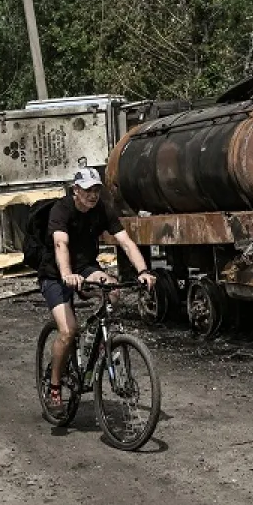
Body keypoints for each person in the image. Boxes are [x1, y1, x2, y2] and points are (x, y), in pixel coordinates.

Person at [39, 167, 156, 413]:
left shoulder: (102, 210)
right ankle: (55, 386)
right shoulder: (61, 210)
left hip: (85, 268)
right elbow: (61, 243)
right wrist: (66, 275)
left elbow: (126, 242)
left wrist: (143, 271)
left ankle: (97, 340)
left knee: (112, 289)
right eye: (88, 190)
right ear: (76, 190)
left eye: (96, 190)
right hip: (55, 274)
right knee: (68, 331)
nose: (93, 195)